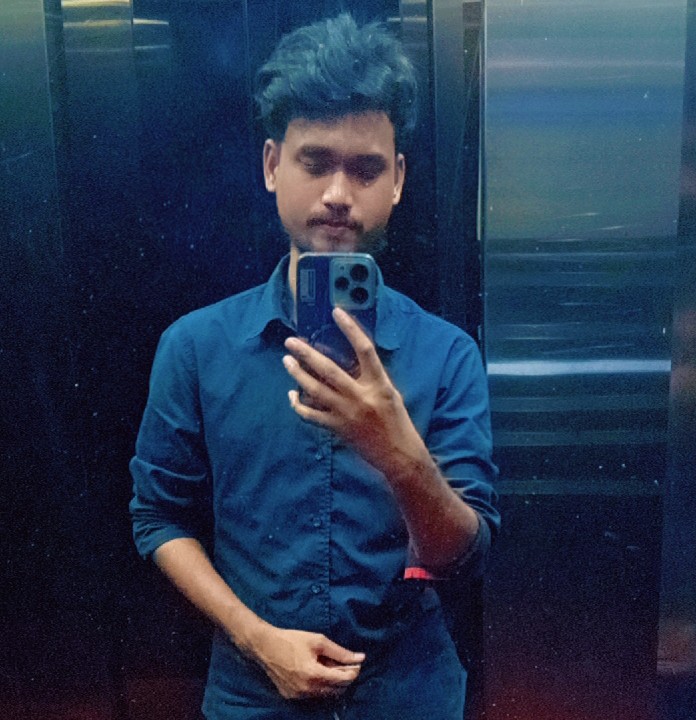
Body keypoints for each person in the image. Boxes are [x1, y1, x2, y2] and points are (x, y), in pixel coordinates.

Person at [130, 13, 500, 720]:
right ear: (273, 165)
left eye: (365, 169)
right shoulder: (196, 347)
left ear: (398, 180)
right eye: (314, 161)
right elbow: (158, 517)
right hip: (251, 692)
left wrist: (397, 455)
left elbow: (464, 556)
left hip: (409, 695)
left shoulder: (447, 354)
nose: (337, 192)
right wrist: (255, 638)